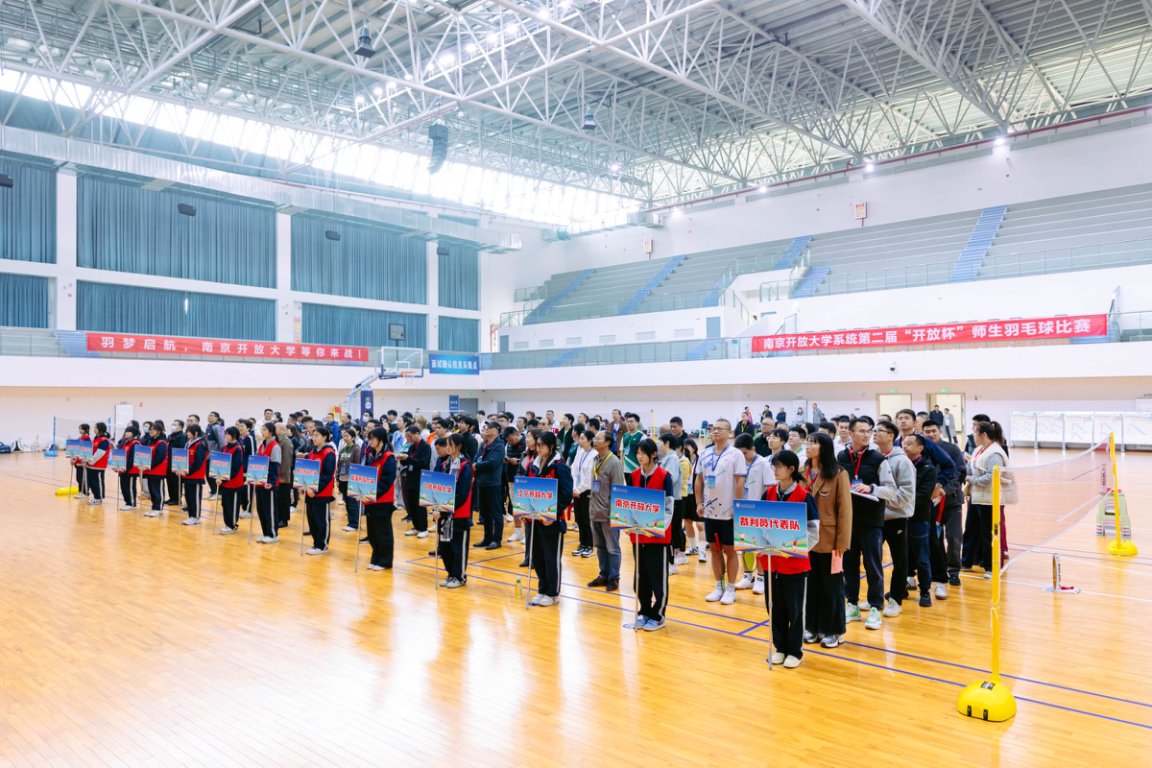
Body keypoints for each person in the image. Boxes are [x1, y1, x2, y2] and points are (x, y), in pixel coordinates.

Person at [760, 450, 821, 668]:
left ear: (792, 469)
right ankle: (780, 647)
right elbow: (759, 523)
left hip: (794, 564)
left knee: (795, 610)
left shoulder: (804, 497)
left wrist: (793, 548)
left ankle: (795, 651)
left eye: (779, 466)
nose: (775, 470)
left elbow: (814, 532)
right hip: (771, 562)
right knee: (774, 607)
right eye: (774, 466)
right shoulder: (768, 494)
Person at [838, 417, 895, 631]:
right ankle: (851, 604)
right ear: (851, 433)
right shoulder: (841, 456)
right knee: (849, 565)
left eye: (869, 431)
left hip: (871, 521)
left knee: (873, 566)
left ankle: (875, 607)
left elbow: (891, 490)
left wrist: (871, 488)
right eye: (861, 431)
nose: (866, 435)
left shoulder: (879, 459)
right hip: (848, 521)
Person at [800, 433, 852, 648]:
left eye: (813, 443)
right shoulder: (802, 472)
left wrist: (842, 543)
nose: (808, 445)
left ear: (825, 448)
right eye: (807, 442)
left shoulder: (838, 474)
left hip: (830, 540)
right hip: (805, 540)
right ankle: (813, 627)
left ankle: (834, 630)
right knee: (811, 586)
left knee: (832, 588)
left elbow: (845, 511)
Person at [695, 419, 746, 605]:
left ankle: (731, 588)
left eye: (719, 428)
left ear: (729, 432)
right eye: (713, 428)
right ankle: (719, 586)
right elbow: (699, 479)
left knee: (730, 550)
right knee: (714, 550)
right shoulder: (705, 453)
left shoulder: (735, 454)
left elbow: (740, 481)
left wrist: (737, 506)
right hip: (710, 511)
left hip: (729, 512)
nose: (715, 431)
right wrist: (698, 502)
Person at [625, 439, 675, 630]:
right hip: (638, 536)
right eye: (637, 453)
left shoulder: (664, 476)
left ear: (653, 454)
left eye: (643, 453)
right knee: (640, 578)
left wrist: (658, 528)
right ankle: (644, 611)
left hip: (657, 537)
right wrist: (627, 522)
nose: (639, 456)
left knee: (658, 579)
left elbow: (669, 507)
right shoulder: (633, 476)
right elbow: (628, 502)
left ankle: (658, 615)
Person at [870, 420, 915, 618]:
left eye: (879, 431)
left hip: (896, 518)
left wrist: (879, 498)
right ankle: (874, 599)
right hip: (874, 519)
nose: (874, 433)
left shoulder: (902, 461)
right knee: (872, 560)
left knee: (899, 561)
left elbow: (906, 495)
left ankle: (896, 599)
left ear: (891, 436)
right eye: (874, 430)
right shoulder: (873, 458)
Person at [526, 432, 572, 607]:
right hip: (535, 519)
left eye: (542, 445)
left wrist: (553, 514)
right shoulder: (533, 465)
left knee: (551, 558)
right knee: (538, 557)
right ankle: (542, 589)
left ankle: (553, 593)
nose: (538, 448)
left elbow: (566, 494)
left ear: (551, 446)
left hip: (552, 521)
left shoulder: (559, 467)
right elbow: (527, 488)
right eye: (537, 445)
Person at [922, 420, 965, 596]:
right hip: (930, 505)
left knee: (954, 538)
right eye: (927, 431)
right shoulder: (921, 450)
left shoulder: (952, 449)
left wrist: (944, 490)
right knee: (935, 541)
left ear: (940, 431)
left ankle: (954, 571)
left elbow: (960, 473)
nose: (930, 434)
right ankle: (938, 574)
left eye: (933, 431)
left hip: (952, 503)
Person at [964, 420, 1010, 578]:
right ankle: (967, 562)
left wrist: (972, 480)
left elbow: (991, 476)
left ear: (983, 435)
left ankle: (991, 567)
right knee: (971, 531)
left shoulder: (995, 453)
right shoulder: (978, 449)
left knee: (988, 534)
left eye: (974, 432)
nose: (973, 436)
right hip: (976, 497)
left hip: (989, 500)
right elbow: (971, 468)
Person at [902, 433, 939, 607]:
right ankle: (900, 588)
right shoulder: (901, 464)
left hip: (918, 519)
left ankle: (925, 591)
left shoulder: (928, 468)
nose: (905, 446)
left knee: (922, 557)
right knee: (901, 557)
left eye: (909, 443)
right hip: (900, 517)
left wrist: (900, 501)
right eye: (904, 443)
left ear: (920, 448)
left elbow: (923, 496)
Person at [587, 430, 625, 592]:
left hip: (609, 513)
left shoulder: (614, 462)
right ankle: (604, 574)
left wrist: (615, 514)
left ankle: (614, 578)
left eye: (598, 438)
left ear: (608, 442)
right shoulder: (596, 459)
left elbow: (618, 490)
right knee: (600, 547)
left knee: (612, 548)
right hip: (595, 510)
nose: (595, 440)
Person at [734, 433, 769, 595]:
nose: (742, 456)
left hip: (759, 510)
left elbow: (769, 488)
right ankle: (748, 576)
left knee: (760, 546)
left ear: (753, 448)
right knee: (744, 545)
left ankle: (761, 577)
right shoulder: (737, 464)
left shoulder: (763, 464)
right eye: (739, 453)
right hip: (742, 509)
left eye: (745, 453)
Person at [437, 433, 474, 588]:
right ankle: (450, 574)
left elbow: (463, 493)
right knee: (445, 545)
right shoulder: (445, 464)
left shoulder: (465, 466)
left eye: (449, 444)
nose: (447, 447)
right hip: (445, 512)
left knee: (458, 546)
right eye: (446, 444)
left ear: (458, 446)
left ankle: (459, 576)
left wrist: (448, 507)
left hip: (459, 513)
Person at [360, 427, 398, 570]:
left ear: (381, 439)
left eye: (372, 438)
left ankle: (385, 561)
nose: (370, 441)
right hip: (370, 499)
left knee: (383, 532)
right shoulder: (371, 455)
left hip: (382, 500)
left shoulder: (389, 457)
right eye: (369, 438)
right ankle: (376, 558)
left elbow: (387, 480)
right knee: (372, 532)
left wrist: (374, 493)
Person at [303, 426, 338, 555]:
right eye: (313, 435)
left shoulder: (329, 453)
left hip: (321, 493)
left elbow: (327, 476)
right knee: (312, 520)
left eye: (317, 435)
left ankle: (322, 545)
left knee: (321, 520)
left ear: (325, 437)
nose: (314, 438)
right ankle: (316, 544)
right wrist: (304, 485)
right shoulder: (312, 452)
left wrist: (315, 490)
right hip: (309, 492)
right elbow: (307, 471)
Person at [473, 421, 507, 550]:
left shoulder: (499, 446)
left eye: (489, 427)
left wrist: (477, 465)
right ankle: (487, 538)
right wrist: (476, 464)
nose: (486, 429)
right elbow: (476, 457)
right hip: (482, 482)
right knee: (485, 513)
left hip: (493, 483)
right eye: (485, 427)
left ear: (497, 431)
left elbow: (492, 463)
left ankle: (497, 539)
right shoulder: (483, 444)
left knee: (496, 512)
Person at [397, 424, 432, 538]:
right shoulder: (411, 446)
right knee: (412, 504)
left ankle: (423, 528)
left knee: (420, 505)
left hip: (421, 478)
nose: (408, 438)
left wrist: (408, 459)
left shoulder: (425, 447)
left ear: (417, 434)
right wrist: (402, 458)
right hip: (410, 478)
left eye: (410, 436)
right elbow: (407, 461)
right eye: (407, 436)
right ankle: (416, 527)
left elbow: (423, 463)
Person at [656, 433, 683, 573]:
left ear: (666, 443)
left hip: (673, 501)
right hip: (664, 500)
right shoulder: (664, 458)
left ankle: (671, 564)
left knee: (670, 533)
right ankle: (667, 562)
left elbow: (670, 479)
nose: (658, 445)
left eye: (660, 442)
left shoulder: (672, 458)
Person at [253, 422, 282, 542]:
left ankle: (273, 534)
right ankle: (265, 533)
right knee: (261, 509)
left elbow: (275, 466)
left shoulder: (275, 446)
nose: (262, 431)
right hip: (260, 482)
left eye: (264, 429)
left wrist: (271, 481)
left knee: (269, 509)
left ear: (271, 432)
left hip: (269, 484)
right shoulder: (262, 445)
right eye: (262, 429)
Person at [570, 429, 596, 558]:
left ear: (590, 440)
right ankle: (582, 544)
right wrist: (574, 488)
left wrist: (579, 490)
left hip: (587, 491)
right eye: (579, 438)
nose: (580, 441)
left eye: (582, 438)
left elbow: (589, 477)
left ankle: (589, 546)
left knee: (587, 520)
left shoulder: (594, 454)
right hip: (577, 491)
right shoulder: (579, 452)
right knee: (579, 519)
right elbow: (574, 470)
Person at [216, 426, 246, 534]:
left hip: (234, 483)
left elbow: (235, 468)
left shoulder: (237, 448)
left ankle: (232, 525)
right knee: (225, 504)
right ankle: (227, 524)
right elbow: (220, 463)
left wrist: (223, 479)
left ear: (234, 435)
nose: (225, 435)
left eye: (228, 434)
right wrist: (217, 476)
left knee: (232, 505)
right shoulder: (225, 447)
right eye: (225, 433)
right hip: (224, 482)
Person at [680, 438, 705, 562]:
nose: (685, 449)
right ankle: (693, 547)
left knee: (700, 525)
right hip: (685, 495)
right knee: (687, 522)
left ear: (694, 448)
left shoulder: (701, 461)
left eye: (687, 447)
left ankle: (702, 552)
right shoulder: (683, 461)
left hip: (698, 495)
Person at [180, 423, 209, 525]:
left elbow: (198, 462)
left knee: (195, 497)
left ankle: (196, 517)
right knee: (188, 496)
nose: (187, 433)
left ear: (196, 433)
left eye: (189, 432)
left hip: (195, 475)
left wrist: (188, 471)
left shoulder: (200, 444)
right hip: (187, 474)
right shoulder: (188, 443)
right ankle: (191, 516)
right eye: (187, 431)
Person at [337, 426, 362, 533]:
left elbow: (357, 464)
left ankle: (355, 524)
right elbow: (339, 464)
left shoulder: (356, 449)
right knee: (347, 502)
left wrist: (355, 479)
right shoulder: (343, 449)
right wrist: (337, 478)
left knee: (353, 502)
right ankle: (350, 522)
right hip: (342, 478)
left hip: (352, 479)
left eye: (347, 436)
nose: (345, 438)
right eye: (344, 436)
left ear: (353, 437)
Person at [142, 422, 168, 518]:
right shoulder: (151, 441)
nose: (151, 431)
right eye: (150, 429)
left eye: (153, 429)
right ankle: (154, 508)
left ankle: (158, 508)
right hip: (150, 470)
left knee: (157, 490)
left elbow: (159, 458)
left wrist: (149, 465)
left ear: (159, 431)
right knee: (152, 490)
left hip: (158, 471)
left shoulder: (161, 443)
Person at [274, 422, 295, 530]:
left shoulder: (286, 442)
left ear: (281, 430)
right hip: (278, 474)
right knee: (278, 498)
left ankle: (284, 519)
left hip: (284, 476)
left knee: (283, 498)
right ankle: (279, 517)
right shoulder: (278, 441)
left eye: (275, 428)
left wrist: (282, 476)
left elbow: (286, 462)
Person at [116, 426, 141, 511]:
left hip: (130, 470)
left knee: (130, 487)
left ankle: (132, 503)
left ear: (133, 434)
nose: (126, 433)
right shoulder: (125, 442)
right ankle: (127, 502)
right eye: (126, 431)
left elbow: (132, 458)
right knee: (124, 487)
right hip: (123, 469)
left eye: (129, 431)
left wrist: (125, 468)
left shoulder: (135, 443)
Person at [204, 412, 225, 500]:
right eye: (208, 415)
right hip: (208, 455)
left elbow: (222, 442)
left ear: (216, 418)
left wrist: (219, 454)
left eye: (211, 415)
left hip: (214, 455)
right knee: (208, 475)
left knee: (213, 475)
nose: (209, 416)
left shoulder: (217, 427)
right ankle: (213, 492)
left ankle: (218, 493)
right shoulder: (208, 426)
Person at [165, 420, 186, 506]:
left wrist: (179, 464)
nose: (172, 426)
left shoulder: (182, 436)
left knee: (176, 482)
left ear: (180, 426)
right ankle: (172, 498)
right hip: (168, 462)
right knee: (169, 481)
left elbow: (181, 450)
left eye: (175, 424)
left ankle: (177, 499)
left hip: (177, 462)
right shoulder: (171, 435)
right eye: (172, 424)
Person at [71, 423, 92, 500]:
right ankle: (80, 491)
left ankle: (85, 492)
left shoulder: (87, 438)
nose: (80, 430)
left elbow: (85, 450)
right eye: (79, 428)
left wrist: (77, 458)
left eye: (81, 429)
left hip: (82, 461)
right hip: (77, 460)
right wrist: (72, 458)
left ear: (86, 430)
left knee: (83, 478)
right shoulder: (80, 438)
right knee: (79, 478)